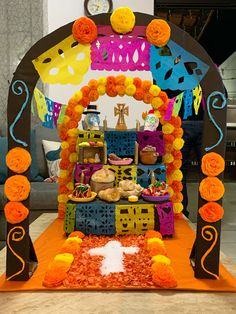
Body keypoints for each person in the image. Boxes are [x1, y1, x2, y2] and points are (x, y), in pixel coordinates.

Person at [179, 91, 204, 218]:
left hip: (181, 123)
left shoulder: (177, 73)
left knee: (179, 171)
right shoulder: (209, 73)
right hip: (205, 122)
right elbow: (223, 96)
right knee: (208, 171)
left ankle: (182, 212)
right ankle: (207, 213)